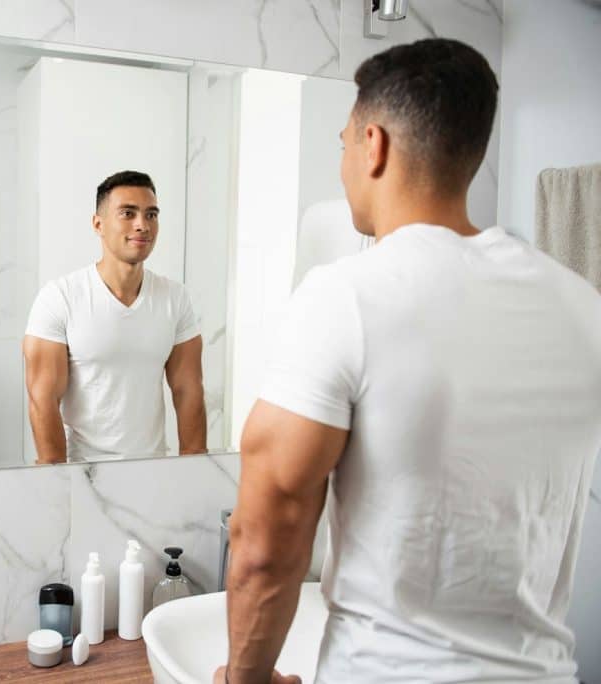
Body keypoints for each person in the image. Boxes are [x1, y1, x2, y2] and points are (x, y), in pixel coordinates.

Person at [217, 38, 601, 683]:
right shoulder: (583, 307)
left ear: (374, 144)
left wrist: (243, 679)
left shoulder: (349, 295)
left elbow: (266, 535)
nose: (341, 165)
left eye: (342, 144)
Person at [23, 170, 206, 463]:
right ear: (98, 224)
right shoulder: (60, 297)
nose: (142, 225)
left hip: (155, 469)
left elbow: (188, 391)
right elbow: (42, 400)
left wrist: (195, 470)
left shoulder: (175, 297)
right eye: (128, 213)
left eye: (151, 215)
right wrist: (56, 480)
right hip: (84, 475)